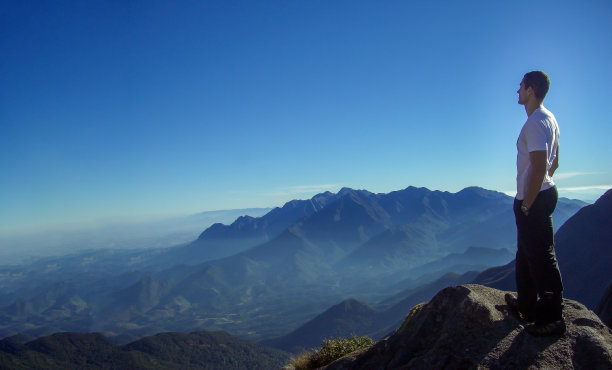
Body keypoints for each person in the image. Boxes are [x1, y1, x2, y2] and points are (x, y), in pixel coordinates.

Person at [505, 71, 565, 336]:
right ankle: (527, 305)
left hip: (535, 197)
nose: (517, 91)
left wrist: (528, 203)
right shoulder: (549, 119)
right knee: (526, 252)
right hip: (543, 192)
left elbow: (540, 165)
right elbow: (555, 162)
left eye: (520, 87)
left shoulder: (534, 123)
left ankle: (552, 318)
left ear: (530, 89)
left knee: (541, 256)